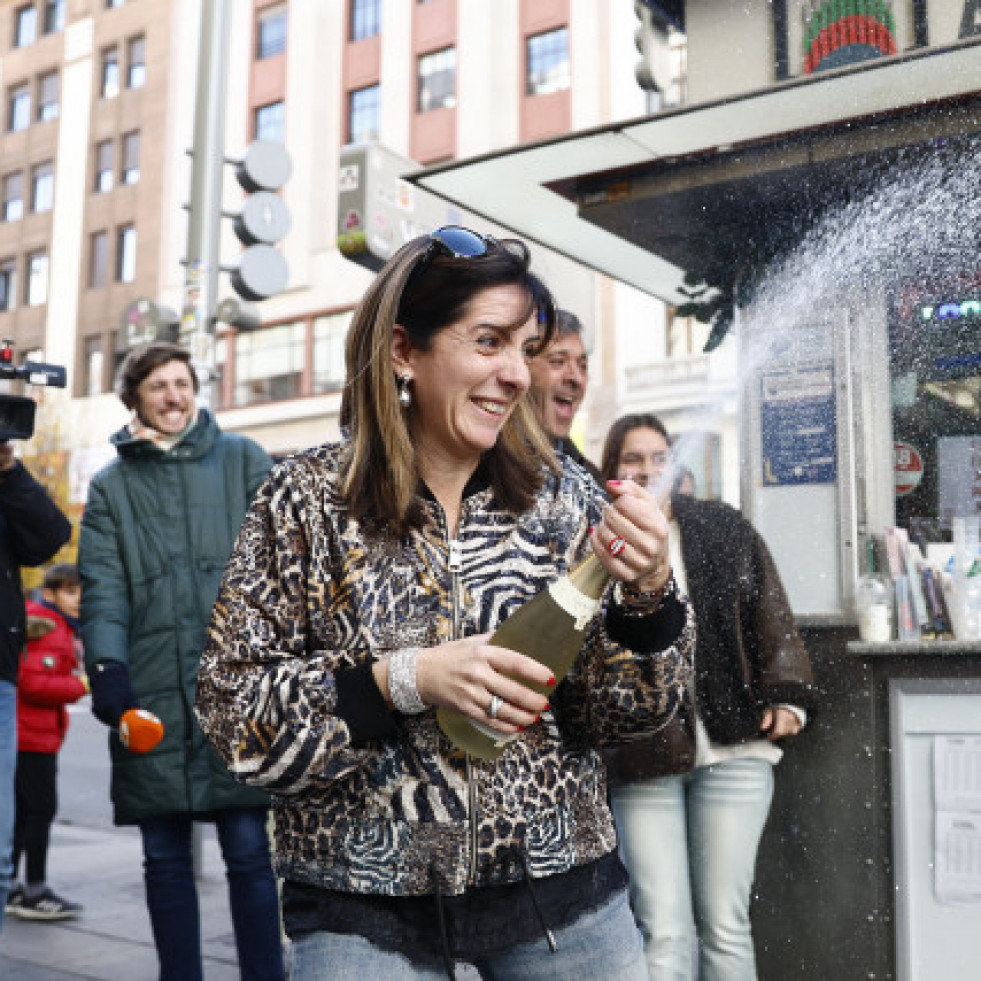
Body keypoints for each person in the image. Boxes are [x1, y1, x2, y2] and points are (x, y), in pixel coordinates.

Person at [194, 226, 695, 980]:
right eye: (488, 341)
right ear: (404, 350)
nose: (518, 374)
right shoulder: (304, 500)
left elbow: (622, 715)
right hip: (360, 899)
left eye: (525, 348)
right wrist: (406, 678)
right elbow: (234, 716)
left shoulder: (565, 499)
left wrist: (649, 595)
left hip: (559, 892)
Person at [78, 342, 284, 981]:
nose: (173, 396)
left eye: (182, 383)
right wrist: (107, 666)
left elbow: (282, 564)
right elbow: (104, 587)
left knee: (250, 854)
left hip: (237, 688)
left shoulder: (244, 459)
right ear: (134, 399)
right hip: (152, 689)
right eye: (158, 387)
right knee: (163, 857)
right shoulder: (112, 486)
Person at [599, 413, 816, 981]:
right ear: (610, 472)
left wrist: (788, 698)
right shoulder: (594, 540)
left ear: (676, 465)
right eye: (631, 459)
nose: (647, 470)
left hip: (735, 752)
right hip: (641, 757)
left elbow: (770, 610)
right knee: (662, 930)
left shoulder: (722, 526)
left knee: (725, 924)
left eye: (658, 457)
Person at [0, 442, 72, 935]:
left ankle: (30, 885)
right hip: (26, 722)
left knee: (6, 845)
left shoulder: (7, 484)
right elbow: (40, 678)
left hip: (4, 691)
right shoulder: (45, 623)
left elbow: (49, 536)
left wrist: (9, 471)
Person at [7, 563, 86, 920]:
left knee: (23, 814)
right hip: (31, 736)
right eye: (70, 591)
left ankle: (11, 886)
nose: (78, 600)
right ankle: (34, 890)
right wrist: (79, 685)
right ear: (50, 594)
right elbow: (33, 683)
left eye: (80, 591)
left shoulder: (50, 624)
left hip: (30, 733)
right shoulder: (47, 626)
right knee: (39, 810)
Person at [527, 307, 601, 479]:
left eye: (583, 366)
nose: (576, 378)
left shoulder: (591, 479)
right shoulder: (482, 465)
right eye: (558, 361)